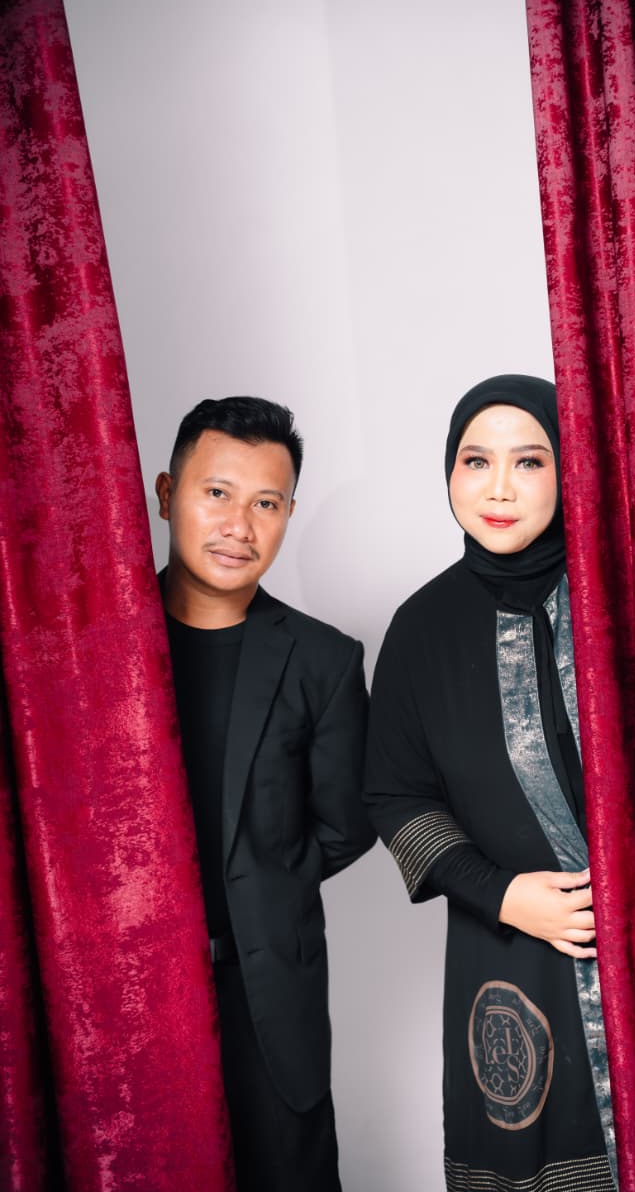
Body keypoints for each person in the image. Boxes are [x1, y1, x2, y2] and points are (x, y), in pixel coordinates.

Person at [364, 375, 618, 1192]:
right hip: (507, 949)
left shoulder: (629, 594)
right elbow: (395, 796)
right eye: (475, 461)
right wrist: (504, 896)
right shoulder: (420, 627)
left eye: (529, 461)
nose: (498, 488)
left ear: (569, 470)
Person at [155, 395, 375, 1191]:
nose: (238, 526)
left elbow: (347, 823)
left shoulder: (323, 660)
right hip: (134, 996)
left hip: (270, 997)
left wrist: (265, 884)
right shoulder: (101, 650)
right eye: (217, 493)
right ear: (166, 494)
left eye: (267, 504)